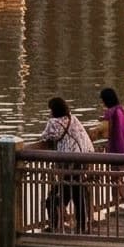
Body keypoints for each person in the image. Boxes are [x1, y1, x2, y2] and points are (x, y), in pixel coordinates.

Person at [38, 96, 96, 231]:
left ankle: (54, 226)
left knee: (57, 196)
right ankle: (82, 226)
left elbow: (45, 136)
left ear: (53, 110)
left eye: (50, 110)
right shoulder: (72, 118)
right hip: (85, 159)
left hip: (71, 162)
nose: (49, 113)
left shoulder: (54, 122)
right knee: (77, 192)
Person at [98, 84, 124, 154]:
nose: (102, 103)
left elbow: (106, 128)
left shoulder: (110, 112)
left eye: (102, 101)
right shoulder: (121, 108)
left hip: (117, 145)